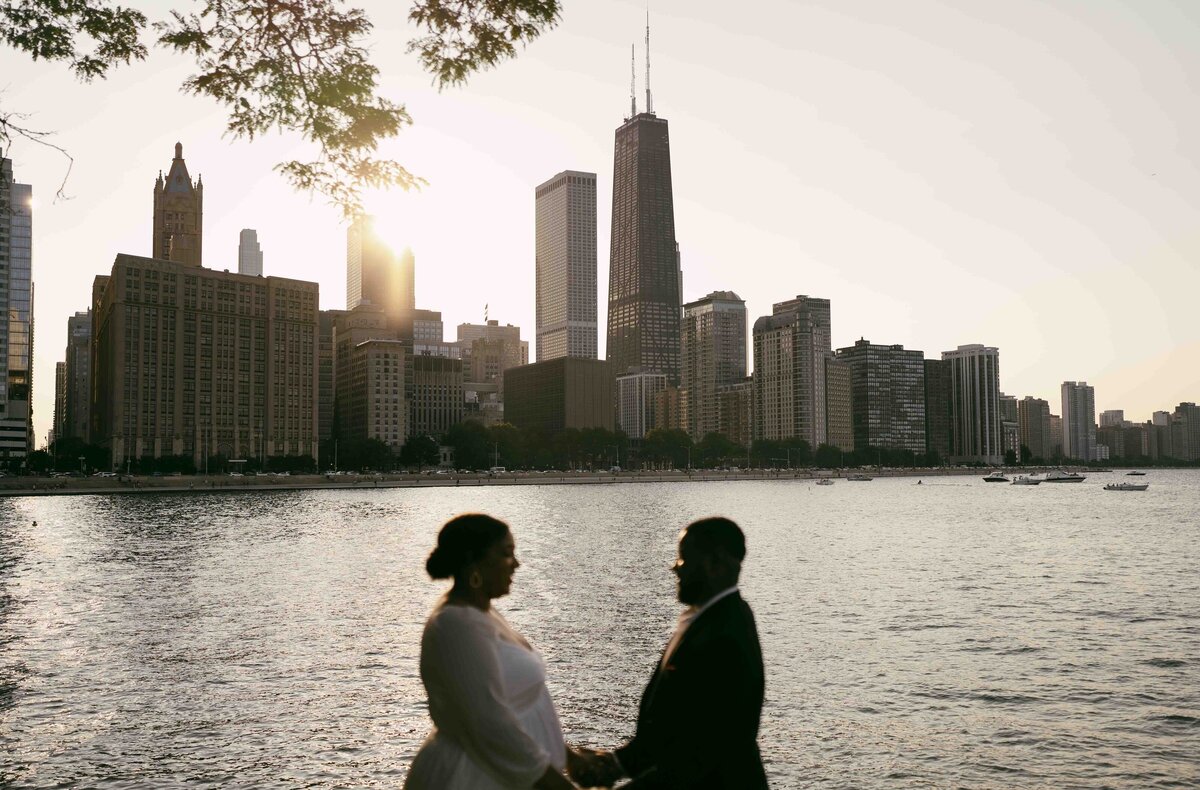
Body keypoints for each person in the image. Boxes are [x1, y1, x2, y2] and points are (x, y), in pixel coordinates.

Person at [571, 517, 768, 789]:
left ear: (715, 563)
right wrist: (618, 763)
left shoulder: (724, 637)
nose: (675, 568)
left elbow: (704, 754)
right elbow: (675, 731)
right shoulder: (715, 619)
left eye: (684, 559)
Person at [405, 513, 577, 790]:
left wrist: (568, 756)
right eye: (507, 554)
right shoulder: (456, 624)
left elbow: (516, 706)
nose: (517, 564)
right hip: (469, 777)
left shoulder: (482, 613)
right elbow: (489, 722)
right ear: (475, 561)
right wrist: (560, 787)